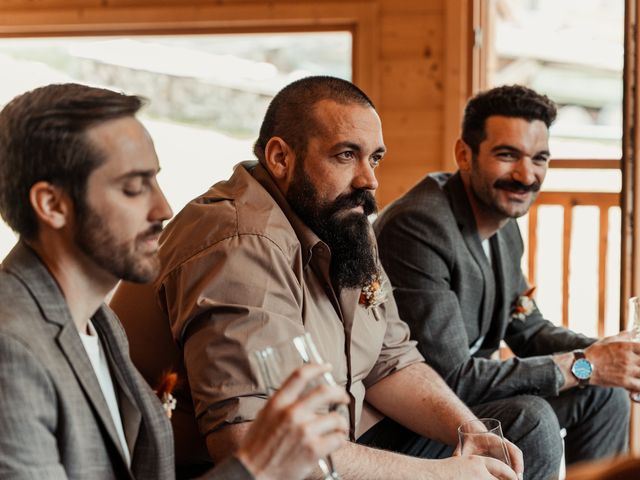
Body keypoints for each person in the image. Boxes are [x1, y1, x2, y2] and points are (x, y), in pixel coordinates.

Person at [111, 76, 524, 480]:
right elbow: (251, 443)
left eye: (374, 158)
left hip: (335, 439)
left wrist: (470, 431)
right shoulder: (239, 245)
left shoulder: (342, 220)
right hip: (226, 469)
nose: (369, 179)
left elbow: (391, 360)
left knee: (519, 428)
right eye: (346, 155)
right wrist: (444, 475)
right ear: (280, 158)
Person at [0, 83, 349, 479]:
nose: (162, 208)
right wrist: (256, 468)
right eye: (133, 187)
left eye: (155, 180)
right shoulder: (11, 350)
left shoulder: (100, 321)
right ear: (52, 205)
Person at [374, 84, 633, 479]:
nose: (526, 175)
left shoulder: (504, 225)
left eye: (539, 159)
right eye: (507, 155)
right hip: (413, 420)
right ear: (465, 154)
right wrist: (586, 365)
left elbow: (527, 328)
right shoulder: (419, 227)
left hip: (469, 403)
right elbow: (453, 378)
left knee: (604, 393)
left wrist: (611, 356)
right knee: (531, 419)